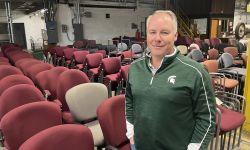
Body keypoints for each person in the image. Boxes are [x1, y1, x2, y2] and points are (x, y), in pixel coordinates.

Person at [125, 10, 216, 150]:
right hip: (139, 145)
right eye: (152, 32)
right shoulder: (135, 68)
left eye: (164, 32)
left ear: (175, 35)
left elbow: (207, 118)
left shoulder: (196, 72)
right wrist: (131, 132)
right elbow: (129, 101)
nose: (157, 38)